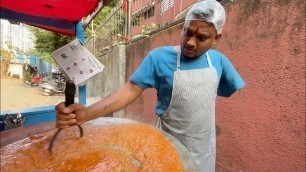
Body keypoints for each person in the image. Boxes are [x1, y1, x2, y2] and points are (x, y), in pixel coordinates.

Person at [55, 0, 245, 171]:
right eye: (187, 32)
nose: (190, 42)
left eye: (201, 38)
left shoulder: (219, 62)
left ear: (216, 38)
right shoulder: (159, 58)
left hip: (203, 150)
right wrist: (88, 113)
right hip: (167, 146)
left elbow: (225, 90)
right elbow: (130, 89)